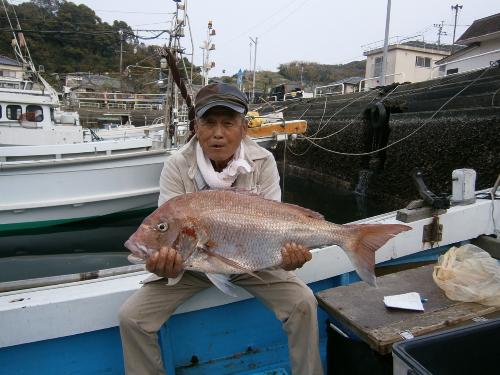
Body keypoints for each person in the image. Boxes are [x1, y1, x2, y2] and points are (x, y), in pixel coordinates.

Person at [119, 83, 323, 375]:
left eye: (228, 123)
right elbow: (166, 231)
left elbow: (277, 228)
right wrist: (166, 265)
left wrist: (287, 256)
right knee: (131, 318)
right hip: (194, 265)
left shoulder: (263, 162)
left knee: (303, 302)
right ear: (196, 127)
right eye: (209, 123)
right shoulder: (176, 166)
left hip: (256, 260)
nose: (218, 133)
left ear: (243, 129)